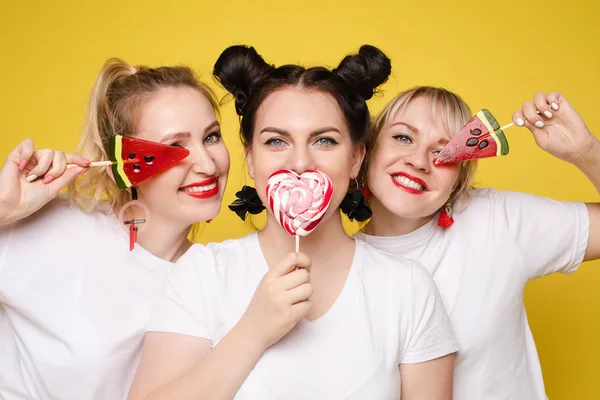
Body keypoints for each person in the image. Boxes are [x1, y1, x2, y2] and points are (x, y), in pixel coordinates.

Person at [128, 45, 458, 400]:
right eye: (276, 141)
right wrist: (252, 332)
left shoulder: (407, 287)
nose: (300, 162)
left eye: (325, 141)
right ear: (250, 159)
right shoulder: (203, 273)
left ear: (355, 159)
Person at [0, 58, 230, 400]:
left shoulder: (221, 277)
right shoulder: (52, 230)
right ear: (120, 166)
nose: (208, 164)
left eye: (211, 137)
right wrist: (3, 210)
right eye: (176, 147)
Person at [355, 86, 599, 399]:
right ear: (369, 149)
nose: (418, 161)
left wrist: (586, 151)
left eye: (444, 150)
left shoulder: (496, 221)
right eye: (403, 137)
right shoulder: (337, 266)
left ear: (460, 176)